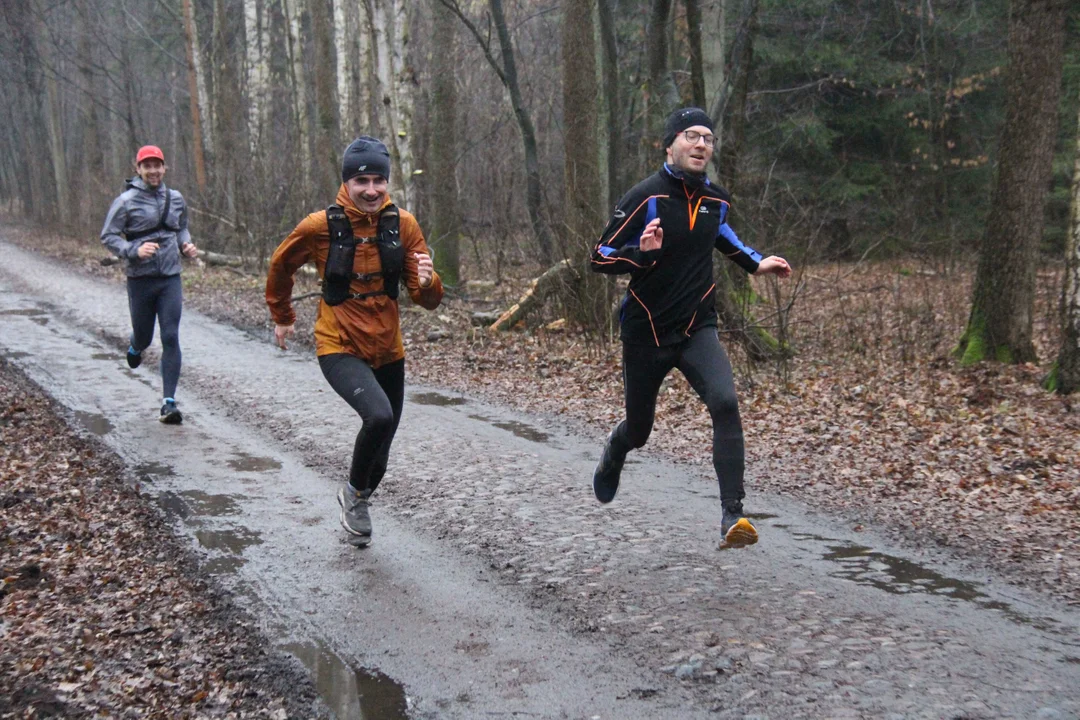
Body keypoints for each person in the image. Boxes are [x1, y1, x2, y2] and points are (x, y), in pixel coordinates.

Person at [590, 108, 792, 548]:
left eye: (708, 138)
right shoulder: (646, 198)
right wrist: (641, 254)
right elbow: (599, 255)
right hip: (645, 332)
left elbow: (724, 236)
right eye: (691, 136)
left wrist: (758, 264)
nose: (701, 144)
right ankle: (616, 450)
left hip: (697, 326)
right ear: (670, 144)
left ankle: (732, 516)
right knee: (640, 430)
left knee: (725, 401)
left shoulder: (716, 200)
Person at [265, 136, 444, 547]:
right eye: (361, 180)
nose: (370, 190)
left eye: (378, 180)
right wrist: (283, 316)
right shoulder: (318, 226)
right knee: (378, 416)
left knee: (381, 450)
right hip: (338, 343)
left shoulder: (404, 225)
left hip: (388, 348)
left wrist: (429, 281)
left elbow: (428, 299)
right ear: (346, 182)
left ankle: (356, 494)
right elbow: (281, 266)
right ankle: (355, 497)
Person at [101, 145, 198, 424]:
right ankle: (135, 346)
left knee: (170, 335)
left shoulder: (175, 198)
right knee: (144, 336)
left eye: (158, 165)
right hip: (140, 280)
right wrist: (134, 250)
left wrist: (185, 245)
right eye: (148, 166)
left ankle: (169, 403)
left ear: (164, 168)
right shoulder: (125, 201)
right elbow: (108, 236)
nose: (153, 171)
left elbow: (181, 227)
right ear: (138, 169)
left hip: (170, 277)